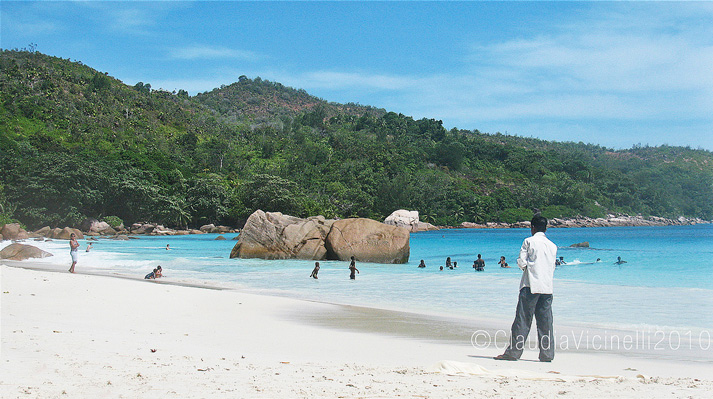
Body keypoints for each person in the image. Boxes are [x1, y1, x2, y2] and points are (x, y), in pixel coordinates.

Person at [494, 215, 557, 362]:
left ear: (532, 228)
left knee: (522, 320)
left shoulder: (528, 241)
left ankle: (513, 353)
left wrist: (528, 270)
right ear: (546, 228)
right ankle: (547, 355)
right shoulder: (553, 246)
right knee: (546, 322)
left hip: (530, 285)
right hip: (547, 287)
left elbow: (522, 263)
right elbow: (552, 266)